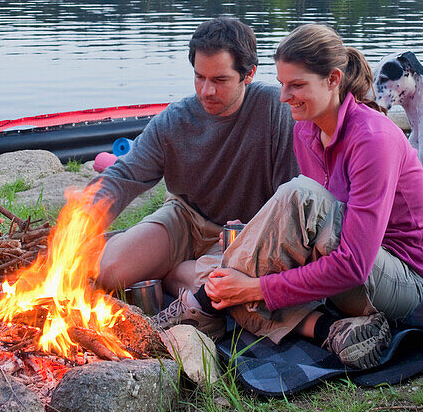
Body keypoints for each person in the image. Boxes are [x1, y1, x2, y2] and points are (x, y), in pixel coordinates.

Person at [153, 24, 423, 370]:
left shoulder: (372, 139)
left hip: (406, 283)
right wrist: (256, 236)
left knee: (257, 257)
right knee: (224, 270)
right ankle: (328, 330)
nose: (283, 96)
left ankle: (203, 306)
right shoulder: (306, 130)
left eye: (297, 85)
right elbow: (309, 223)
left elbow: (352, 264)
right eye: (281, 84)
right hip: (347, 270)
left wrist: (255, 288)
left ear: (333, 80)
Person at [91, 17, 299, 296]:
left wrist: (255, 232)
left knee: (217, 287)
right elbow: (124, 176)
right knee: (110, 272)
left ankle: (176, 274)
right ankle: (151, 258)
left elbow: (292, 196)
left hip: (247, 233)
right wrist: (83, 216)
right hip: (185, 219)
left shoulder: (275, 110)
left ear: (248, 74)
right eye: (199, 77)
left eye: (219, 80)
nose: (206, 91)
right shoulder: (174, 120)